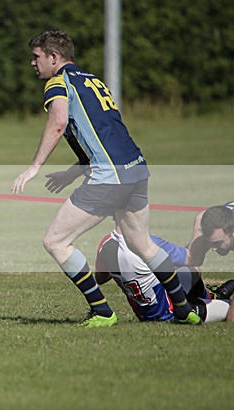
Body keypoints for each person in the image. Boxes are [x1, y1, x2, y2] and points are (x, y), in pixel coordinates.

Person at [11, 29, 199, 327]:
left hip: (109, 179)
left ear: (54, 57)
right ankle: (184, 308)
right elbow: (103, 134)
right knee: (143, 244)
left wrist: (34, 166)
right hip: (137, 169)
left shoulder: (58, 83)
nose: (33, 63)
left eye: (36, 57)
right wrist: (73, 171)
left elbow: (58, 123)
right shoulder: (92, 80)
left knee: (56, 241)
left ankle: (102, 311)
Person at [95, 228, 234, 322]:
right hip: (170, 313)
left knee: (188, 272)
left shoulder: (104, 244)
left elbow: (100, 279)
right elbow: (190, 257)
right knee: (230, 306)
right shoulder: (147, 243)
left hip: (144, 312)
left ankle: (212, 297)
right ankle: (211, 302)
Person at [186, 202, 234, 266]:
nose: (213, 249)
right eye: (208, 242)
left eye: (217, 242)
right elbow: (191, 260)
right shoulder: (201, 222)